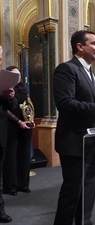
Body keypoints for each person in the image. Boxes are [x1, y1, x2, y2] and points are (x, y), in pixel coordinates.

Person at [52, 30, 95, 225]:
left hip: (93, 141)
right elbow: (64, 103)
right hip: (74, 142)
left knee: (89, 188)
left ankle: (84, 220)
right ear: (80, 46)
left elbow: (94, 107)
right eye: (94, 43)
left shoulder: (91, 73)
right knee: (72, 192)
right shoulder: (66, 69)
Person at [2, 66, 35, 196]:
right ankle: (11, 186)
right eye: (15, 75)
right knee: (11, 157)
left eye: (19, 75)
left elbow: (28, 106)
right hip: (12, 126)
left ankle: (23, 184)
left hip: (26, 127)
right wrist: (19, 122)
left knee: (24, 156)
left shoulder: (23, 89)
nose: (18, 77)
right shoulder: (5, 89)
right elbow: (7, 109)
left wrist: (30, 120)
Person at [0, 45, 13, 223]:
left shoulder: (3, 77)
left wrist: (10, 97)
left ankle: (0, 209)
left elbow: (9, 107)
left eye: (0, 57)